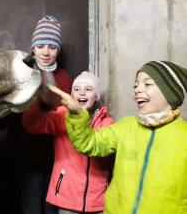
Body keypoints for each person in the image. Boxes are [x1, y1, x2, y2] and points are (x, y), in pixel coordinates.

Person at [48, 61, 187, 214]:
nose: (137, 90)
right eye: (136, 86)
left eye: (147, 84)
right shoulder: (125, 127)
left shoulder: (183, 136)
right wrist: (76, 115)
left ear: (170, 93)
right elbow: (89, 142)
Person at [22, 71, 115, 214]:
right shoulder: (62, 116)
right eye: (77, 89)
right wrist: (41, 101)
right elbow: (32, 124)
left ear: (96, 96)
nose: (82, 93)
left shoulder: (107, 123)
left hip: (97, 200)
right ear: (71, 96)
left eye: (88, 89)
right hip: (68, 198)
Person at [9, 15, 72, 214]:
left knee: (52, 208)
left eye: (52, 47)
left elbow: (67, 116)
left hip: (57, 157)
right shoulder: (23, 72)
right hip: (28, 154)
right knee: (32, 208)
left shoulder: (63, 77)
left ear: (58, 51)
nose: (46, 52)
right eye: (41, 45)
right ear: (33, 47)